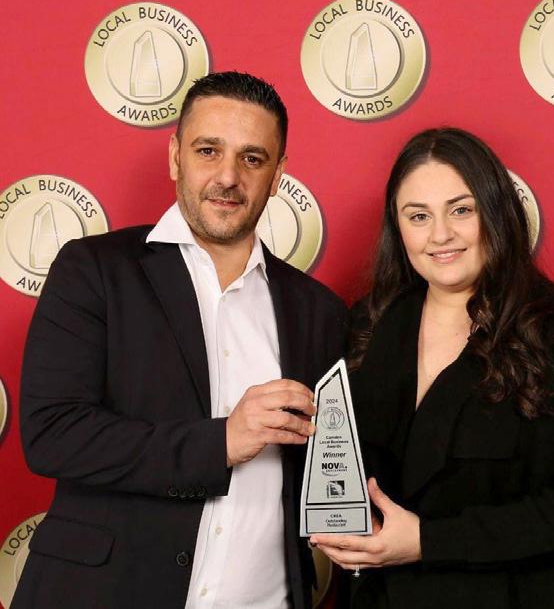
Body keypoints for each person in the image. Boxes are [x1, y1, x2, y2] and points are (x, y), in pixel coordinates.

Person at [14, 72, 346, 609]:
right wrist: (221, 442)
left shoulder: (319, 310)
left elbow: (329, 467)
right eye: (208, 151)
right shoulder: (94, 270)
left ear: (278, 175)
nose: (228, 177)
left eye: (252, 158)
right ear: (175, 157)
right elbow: (53, 434)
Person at [311, 128, 554, 609]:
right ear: (397, 228)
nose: (440, 234)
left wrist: (427, 540)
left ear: (497, 211)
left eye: (461, 210)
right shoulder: (368, 325)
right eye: (418, 216)